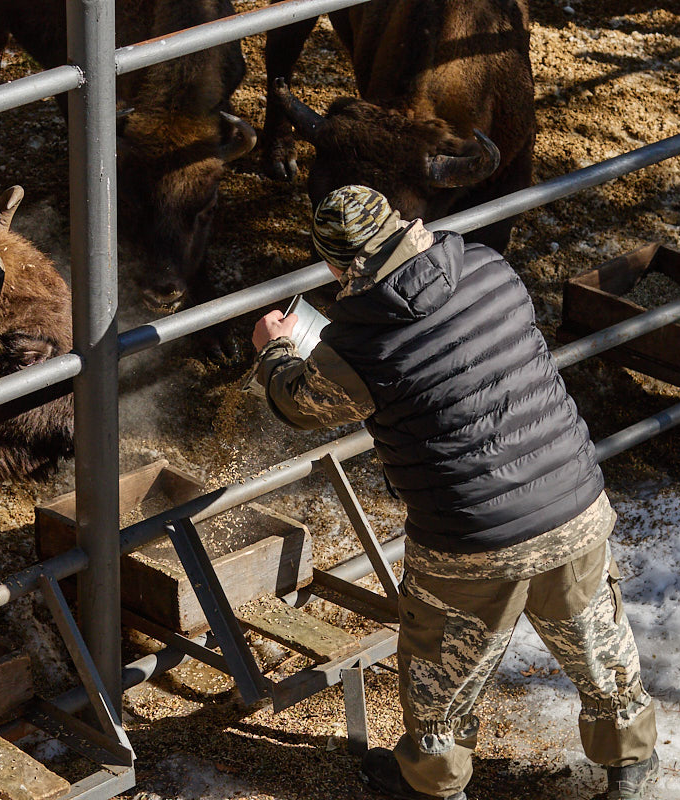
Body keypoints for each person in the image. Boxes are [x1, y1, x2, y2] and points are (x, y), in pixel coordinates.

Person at [250, 185, 659, 800]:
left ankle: (432, 784)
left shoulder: (356, 345)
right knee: (599, 645)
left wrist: (276, 347)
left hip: (470, 543)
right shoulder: (490, 268)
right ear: (405, 224)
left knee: (444, 674)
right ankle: (630, 769)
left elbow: (299, 404)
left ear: (338, 267)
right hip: (572, 506)